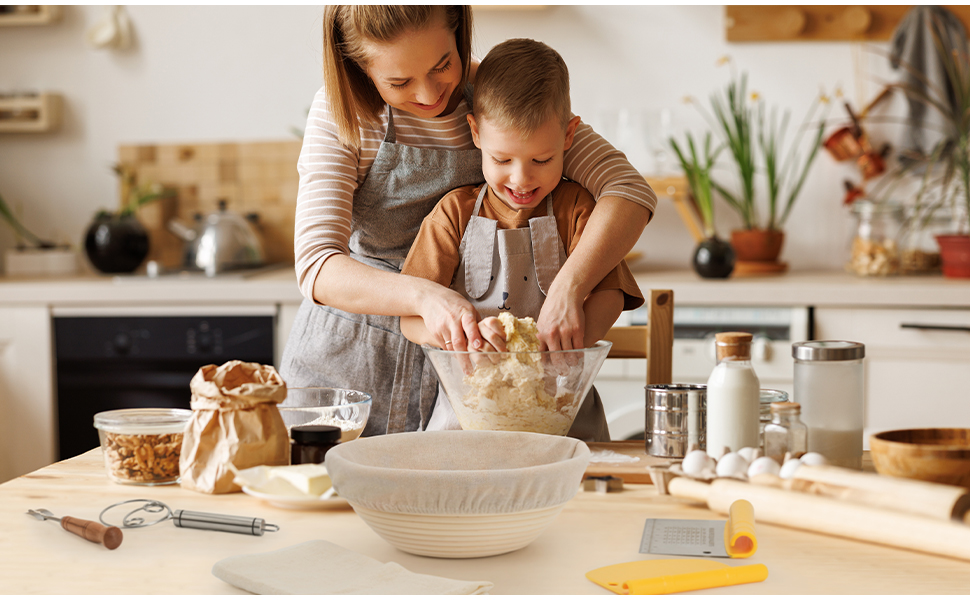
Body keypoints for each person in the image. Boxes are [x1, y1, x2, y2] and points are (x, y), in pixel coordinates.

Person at [280, 6, 656, 436]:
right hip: (350, 369)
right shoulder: (341, 111)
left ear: (459, 32)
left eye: (443, 64)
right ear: (360, 68)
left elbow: (628, 191)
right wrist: (425, 297)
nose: (428, 93)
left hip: (473, 380)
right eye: (399, 82)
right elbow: (316, 264)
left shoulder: (499, 98)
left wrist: (571, 287)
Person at [399, 38, 644, 441]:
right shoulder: (453, 214)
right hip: (469, 415)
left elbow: (610, 294)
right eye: (502, 160)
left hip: (563, 411)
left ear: (569, 135)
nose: (521, 179)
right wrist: (460, 335)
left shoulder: (578, 209)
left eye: (542, 160)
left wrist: (566, 351)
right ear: (475, 133)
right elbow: (411, 317)